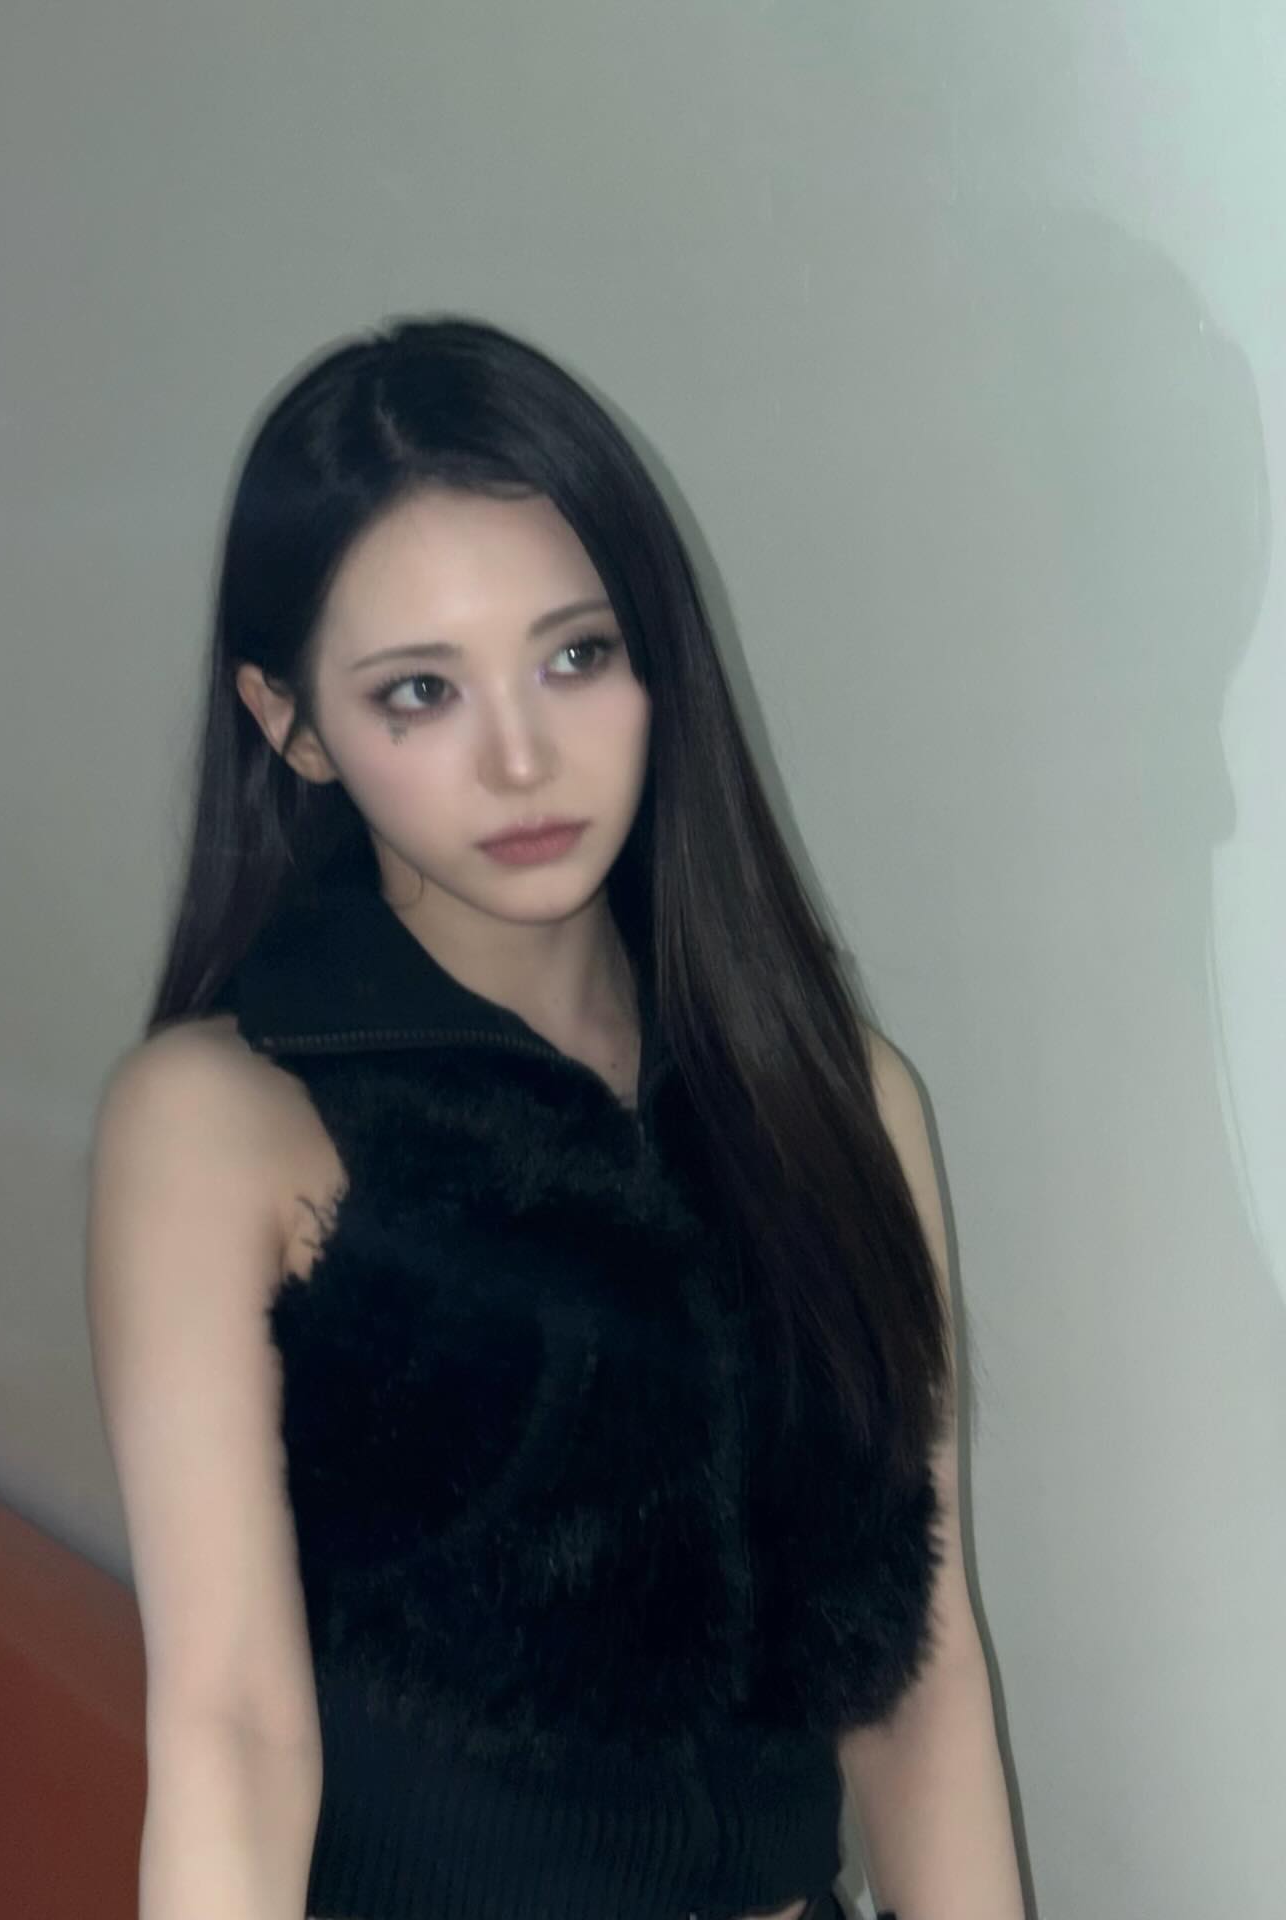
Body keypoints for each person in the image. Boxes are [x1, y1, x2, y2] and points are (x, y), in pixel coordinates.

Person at [85, 314, 1026, 1920]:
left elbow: (919, 1681)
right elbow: (235, 1734)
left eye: (576, 656)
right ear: (291, 722)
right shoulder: (224, 1123)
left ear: (659, 657)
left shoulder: (836, 1099)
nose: (522, 759)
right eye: (420, 692)